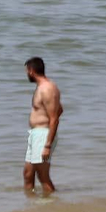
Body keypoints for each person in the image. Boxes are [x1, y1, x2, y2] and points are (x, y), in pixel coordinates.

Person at [24, 57, 63, 195]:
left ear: (31, 71)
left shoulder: (47, 89)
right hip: (35, 134)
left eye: (27, 71)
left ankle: (52, 207)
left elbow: (54, 119)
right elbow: (60, 109)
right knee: (28, 174)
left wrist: (47, 145)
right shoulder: (41, 88)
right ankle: (32, 208)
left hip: (43, 135)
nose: (27, 75)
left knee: (43, 177)